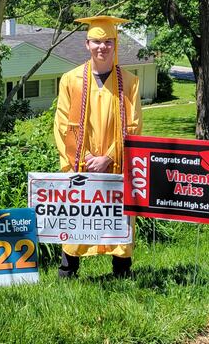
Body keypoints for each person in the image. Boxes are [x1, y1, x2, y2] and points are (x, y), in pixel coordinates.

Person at [53, 15, 142, 278]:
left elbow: (134, 128)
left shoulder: (130, 82)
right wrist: (84, 156)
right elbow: (62, 125)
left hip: (115, 166)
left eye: (108, 42)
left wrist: (110, 157)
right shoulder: (70, 80)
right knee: (78, 214)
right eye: (96, 42)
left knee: (118, 214)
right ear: (87, 44)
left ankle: (122, 273)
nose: (102, 47)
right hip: (80, 163)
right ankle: (68, 272)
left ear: (115, 45)